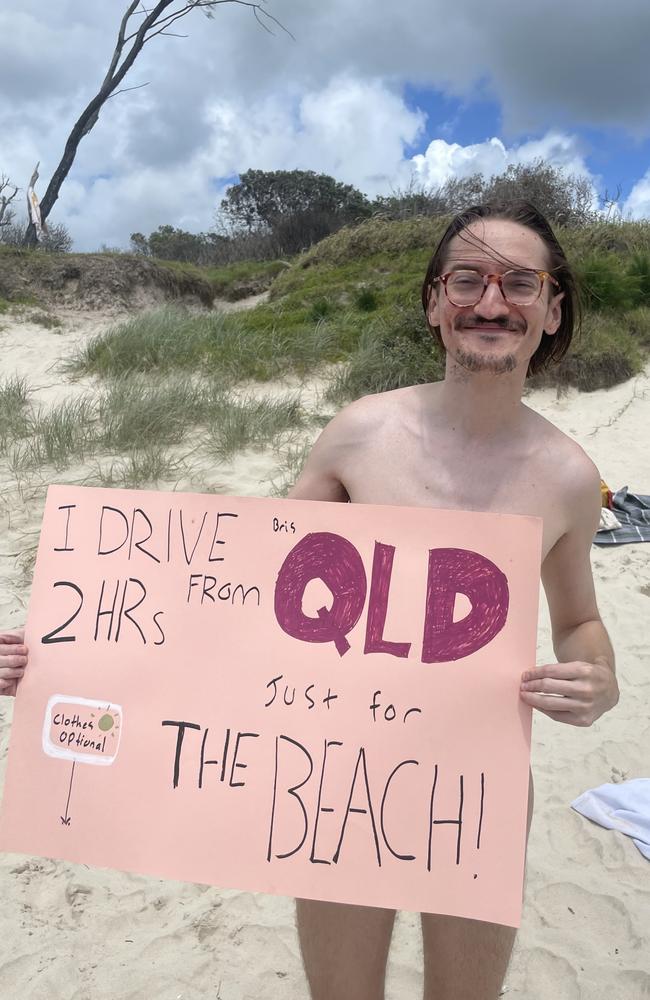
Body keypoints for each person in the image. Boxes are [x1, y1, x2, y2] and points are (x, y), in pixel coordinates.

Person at [0, 200, 619, 1000]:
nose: (491, 302)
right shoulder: (360, 435)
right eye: (467, 279)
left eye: (520, 283)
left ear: (552, 307)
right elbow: (243, 597)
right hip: (327, 773)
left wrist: (595, 679)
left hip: (475, 784)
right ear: (435, 302)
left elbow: (579, 621)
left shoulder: (568, 476)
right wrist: (62, 659)